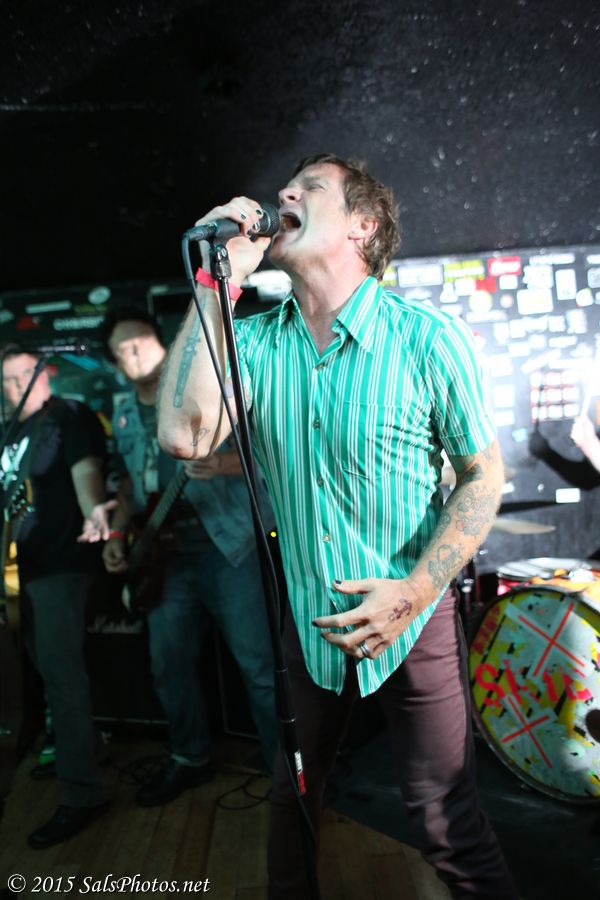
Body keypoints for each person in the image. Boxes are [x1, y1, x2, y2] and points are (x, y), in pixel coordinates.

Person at [156, 154, 518, 898]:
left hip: (414, 611)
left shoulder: (426, 337)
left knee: (446, 818)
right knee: (292, 796)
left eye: (309, 188)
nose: (284, 193)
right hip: (305, 615)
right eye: (287, 186)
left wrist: (412, 592)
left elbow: (483, 477)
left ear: (364, 226)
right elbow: (185, 437)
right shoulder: (253, 342)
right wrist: (216, 286)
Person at [94, 307, 277, 806]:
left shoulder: (206, 393)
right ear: (114, 362)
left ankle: (285, 767)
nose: (134, 353)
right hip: (165, 559)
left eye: (140, 341)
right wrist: (117, 533)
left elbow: (271, 451)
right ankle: (189, 758)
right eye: (122, 349)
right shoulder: (124, 414)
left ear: (164, 343)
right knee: (168, 664)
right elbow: (126, 484)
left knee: (259, 666)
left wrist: (221, 465)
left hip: (228, 548)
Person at [0, 347, 109, 849]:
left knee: (62, 676)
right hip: (24, 571)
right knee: (45, 668)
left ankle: (83, 794)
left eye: (27, 373)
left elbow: (86, 471)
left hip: (61, 564)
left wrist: (94, 510)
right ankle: (79, 749)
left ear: (46, 374)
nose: (19, 384)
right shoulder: (11, 433)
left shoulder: (67, 414)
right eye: (8, 379)